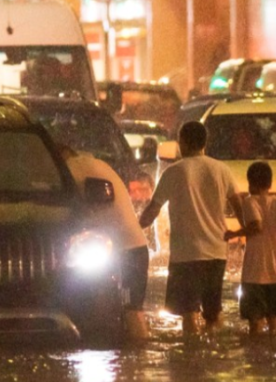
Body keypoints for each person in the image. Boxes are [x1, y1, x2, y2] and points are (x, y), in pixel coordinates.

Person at [139, 121, 244, 335]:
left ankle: (192, 358)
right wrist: (246, 233)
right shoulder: (222, 170)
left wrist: (133, 229)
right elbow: (240, 208)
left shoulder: (175, 172)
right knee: (213, 314)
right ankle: (215, 354)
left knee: (188, 314)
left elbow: (153, 210)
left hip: (186, 256)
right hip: (217, 253)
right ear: (205, 143)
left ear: (183, 142)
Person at [60, 146, 151, 340]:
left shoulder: (71, 169)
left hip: (126, 252)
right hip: (130, 249)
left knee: (131, 310)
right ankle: (134, 360)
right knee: (129, 310)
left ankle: (138, 354)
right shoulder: (96, 163)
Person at [224, 161, 276, 336]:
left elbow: (256, 226)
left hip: (255, 274)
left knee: (255, 324)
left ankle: (256, 359)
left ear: (251, 183)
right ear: (270, 183)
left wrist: (233, 234)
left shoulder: (250, 202)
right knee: (275, 322)